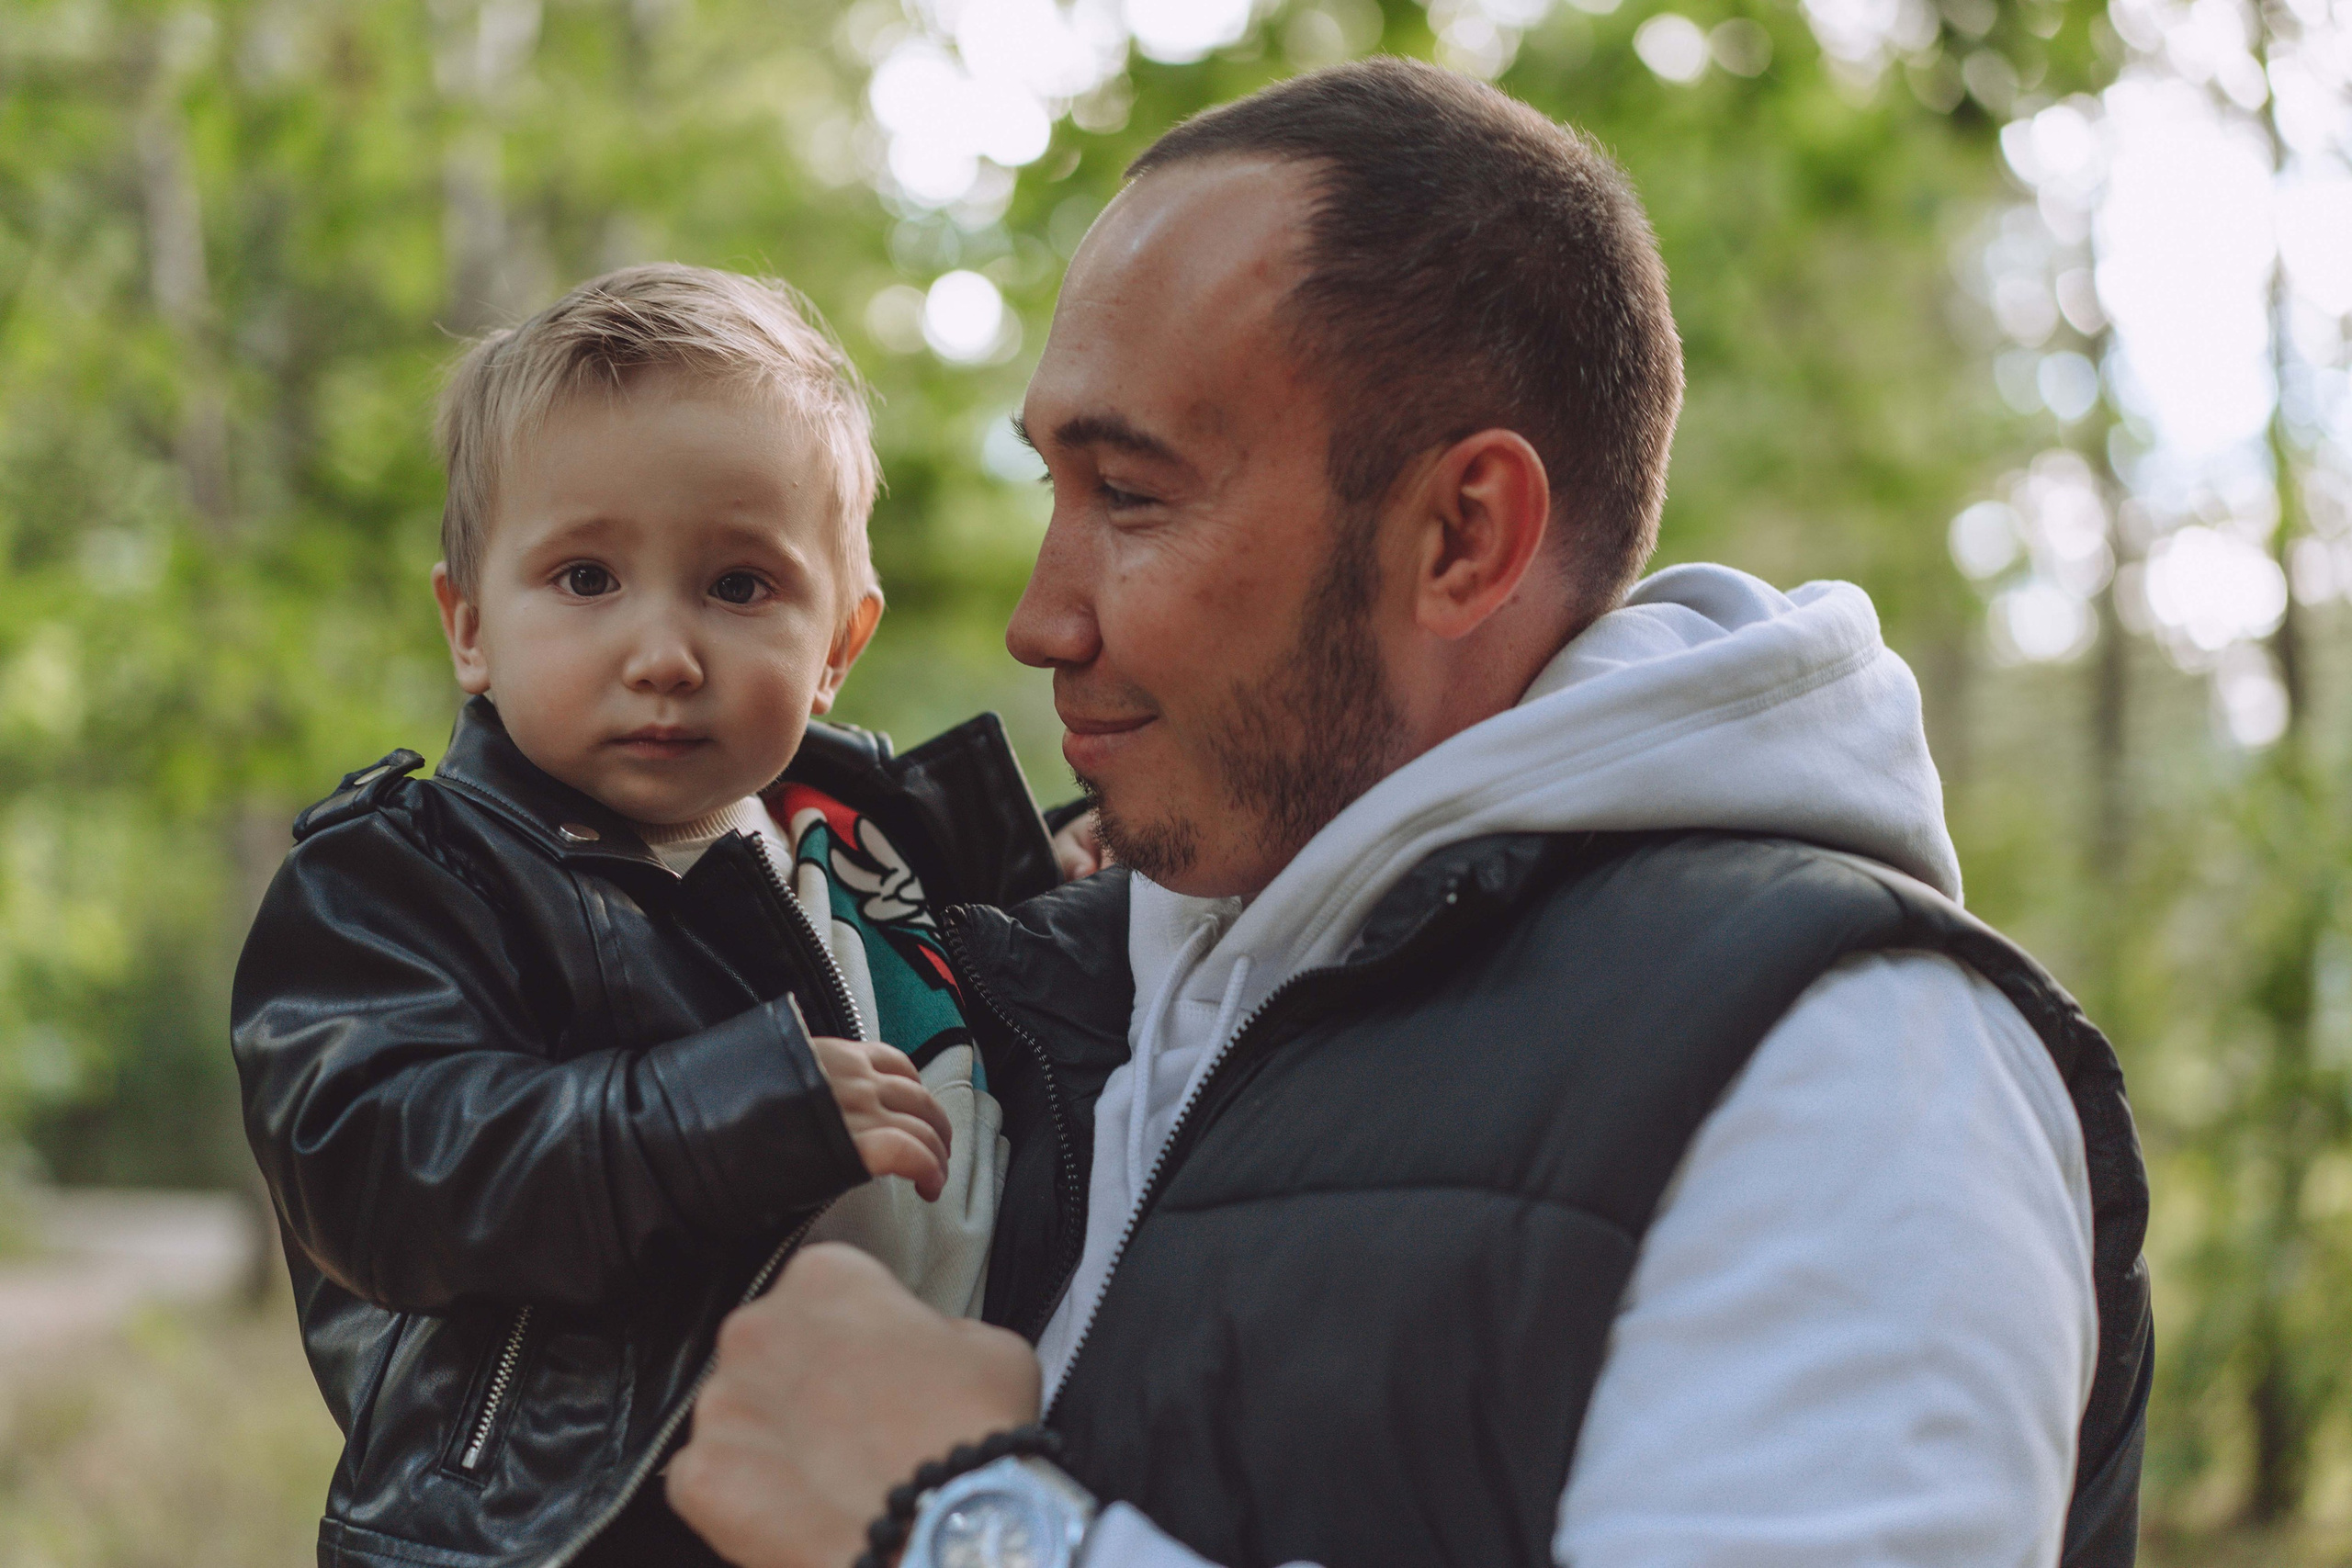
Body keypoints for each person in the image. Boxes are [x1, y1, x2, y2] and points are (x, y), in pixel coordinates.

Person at [662, 59, 2152, 1568]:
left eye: (1133, 496)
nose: (1042, 619)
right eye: (1051, 483)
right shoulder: (1073, 969)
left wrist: (959, 1526)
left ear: (1463, 535)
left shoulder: (1849, 1063)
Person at [230, 264, 1075, 1568]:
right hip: (600, 1532)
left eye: (739, 586)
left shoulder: (875, 842)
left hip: (923, 1498)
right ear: (470, 627)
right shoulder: (413, 883)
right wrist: (716, 1123)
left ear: (839, 640)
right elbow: (380, 1162)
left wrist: (1081, 891)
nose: (664, 652)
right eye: (584, 578)